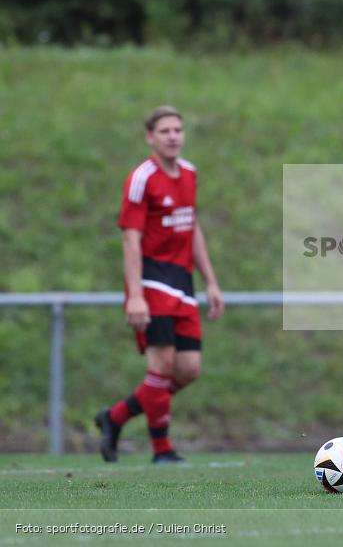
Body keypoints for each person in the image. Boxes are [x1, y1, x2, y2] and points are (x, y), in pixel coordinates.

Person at [95, 105, 224, 464]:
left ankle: (115, 416)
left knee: (189, 369)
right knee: (162, 363)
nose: (173, 136)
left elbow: (192, 226)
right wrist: (135, 295)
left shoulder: (189, 174)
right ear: (150, 137)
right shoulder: (142, 178)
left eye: (178, 130)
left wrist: (211, 282)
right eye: (165, 131)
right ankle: (162, 450)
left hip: (182, 282)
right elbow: (130, 239)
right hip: (151, 281)